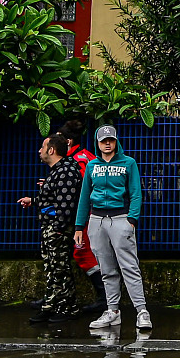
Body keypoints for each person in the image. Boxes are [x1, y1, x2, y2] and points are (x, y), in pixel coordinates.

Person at [75, 125, 149, 333]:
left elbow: (136, 193)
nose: (108, 143)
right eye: (103, 140)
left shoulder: (128, 163)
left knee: (129, 267)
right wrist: (79, 226)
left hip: (120, 218)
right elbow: (84, 197)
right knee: (106, 269)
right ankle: (112, 311)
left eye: (111, 140)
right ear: (98, 143)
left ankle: (142, 311)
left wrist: (131, 220)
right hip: (96, 220)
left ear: (116, 141)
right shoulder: (91, 166)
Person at [20, 130, 84, 325]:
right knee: (55, 268)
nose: (40, 151)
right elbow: (55, 198)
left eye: (43, 147)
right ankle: (60, 305)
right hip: (53, 227)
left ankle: (61, 307)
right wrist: (34, 200)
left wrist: (57, 229)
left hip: (57, 229)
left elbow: (66, 205)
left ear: (52, 150)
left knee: (59, 268)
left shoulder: (65, 171)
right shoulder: (60, 170)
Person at [61, 117, 109, 317]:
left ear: (68, 141)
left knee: (83, 253)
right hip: (95, 213)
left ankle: (104, 298)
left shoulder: (77, 160)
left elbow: (82, 188)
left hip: (89, 214)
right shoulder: (86, 156)